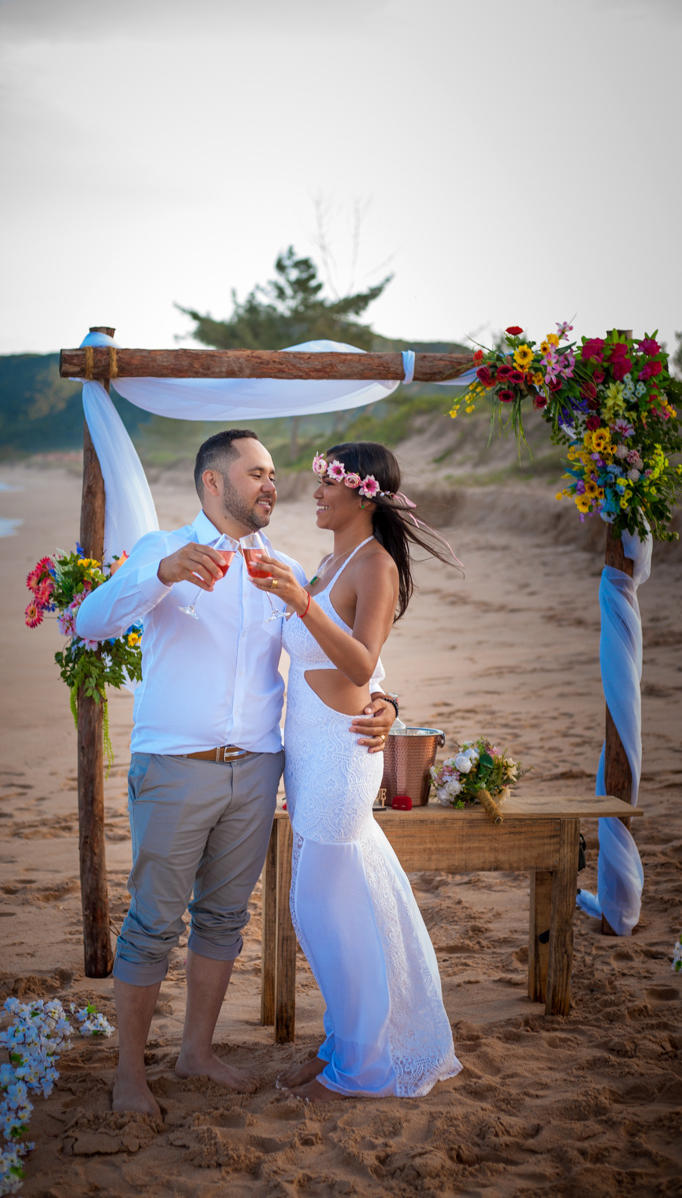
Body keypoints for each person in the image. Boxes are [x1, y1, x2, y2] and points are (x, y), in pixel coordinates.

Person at [74, 430, 395, 1117]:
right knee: (152, 923)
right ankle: (129, 1070)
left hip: (258, 769)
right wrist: (157, 576)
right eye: (257, 474)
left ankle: (196, 1051)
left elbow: (333, 652)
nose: (271, 484)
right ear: (213, 483)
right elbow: (91, 623)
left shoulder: (283, 567)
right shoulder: (161, 550)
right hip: (175, 766)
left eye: (274, 474)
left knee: (223, 919)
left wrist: (384, 702)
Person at [248, 442, 462, 1101]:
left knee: (320, 910)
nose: (314, 493)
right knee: (334, 911)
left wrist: (301, 603)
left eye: (324, 484)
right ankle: (344, 1045)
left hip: (342, 754)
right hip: (308, 752)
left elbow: (362, 666)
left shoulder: (374, 565)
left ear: (362, 494)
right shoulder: (327, 560)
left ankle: (362, 1068)